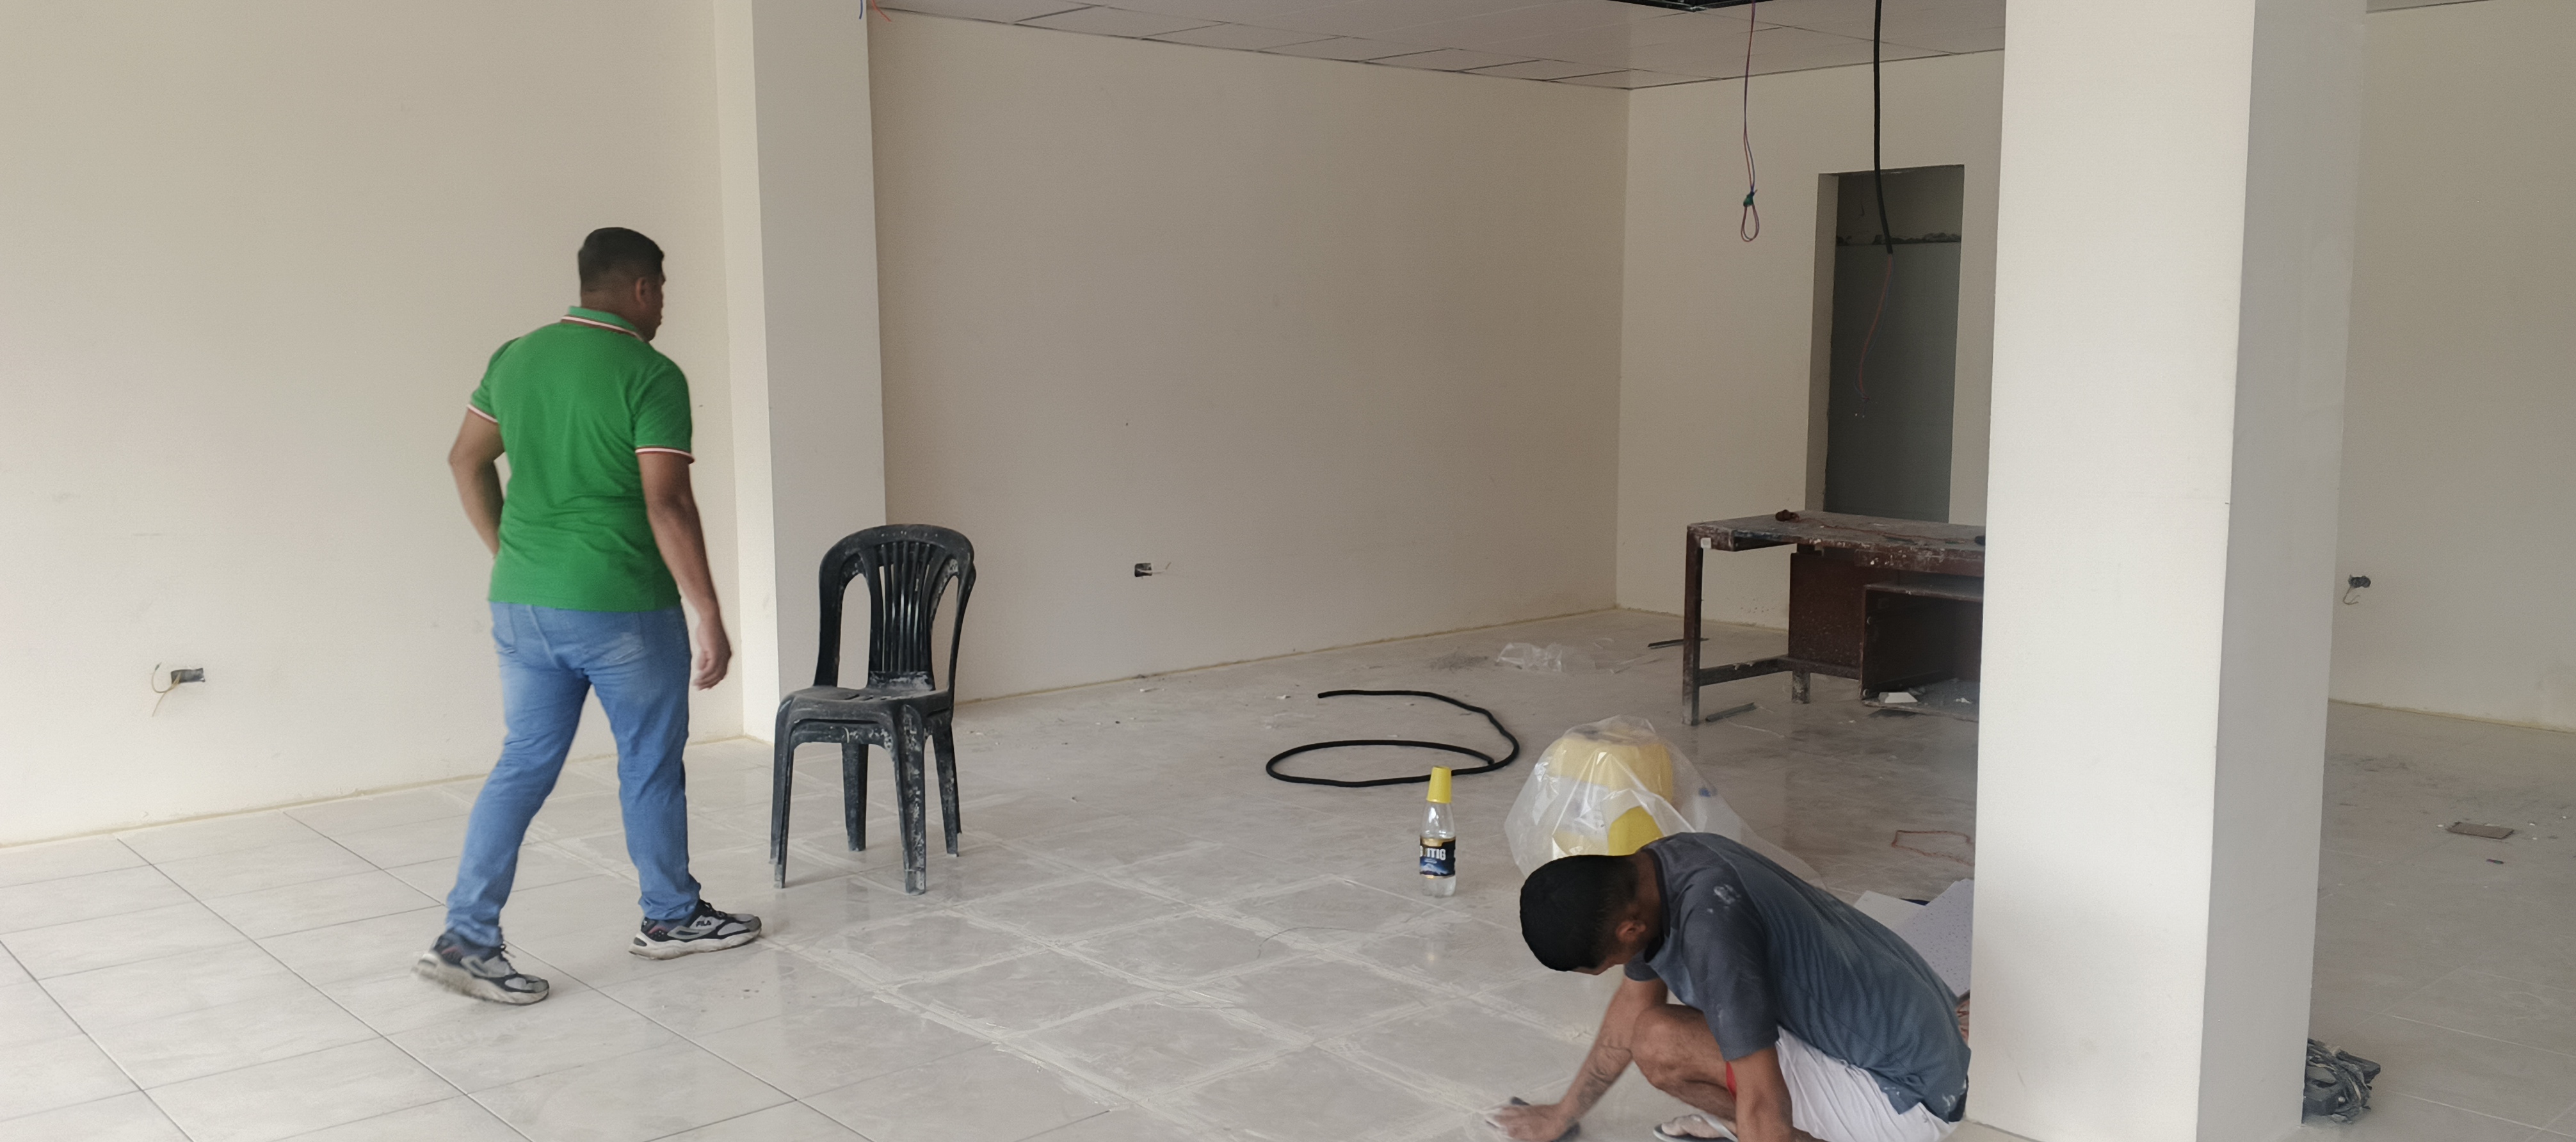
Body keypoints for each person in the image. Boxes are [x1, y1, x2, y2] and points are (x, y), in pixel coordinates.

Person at [414, 228, 761, 1006]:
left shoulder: (515, 357)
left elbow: (465, 457)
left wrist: (508, 550)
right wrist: (709, 610)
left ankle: (466, 937)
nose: (663, 307)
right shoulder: (650, 374)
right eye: (662, 291)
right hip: (621, 605)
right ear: (641, 288)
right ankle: (671, 917)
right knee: (648, 760)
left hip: (521, 599)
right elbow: (667, 501)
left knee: (522, 763)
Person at [1492, 835, 1968, 1142]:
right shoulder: (1663, 867)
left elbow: (1764, 1097)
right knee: (1651, 1029)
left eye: (1609, 962)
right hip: (1923, 1053)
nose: (1621, 968)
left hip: (1907, 1101)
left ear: (1630, 930)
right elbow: (1632, 1007)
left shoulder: (1713, 930)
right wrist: (1562, 1115)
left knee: (1660, 1043)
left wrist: (1758, 1126)